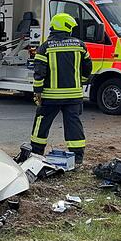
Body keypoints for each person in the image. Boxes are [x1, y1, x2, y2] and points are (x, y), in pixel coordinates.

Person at [29, 13, 93, 165]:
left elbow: (39, 72)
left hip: (50, 97)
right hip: (74, 96)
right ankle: (77, 157)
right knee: (74, 125)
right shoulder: (80, 45)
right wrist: (81, 82)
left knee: (42, 123)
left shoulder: (45, 47)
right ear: (67, 27)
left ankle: (36, 154)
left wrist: (37, 92)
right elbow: (88, 68)